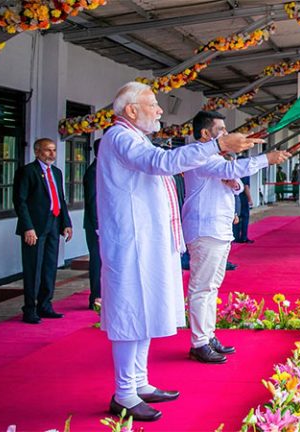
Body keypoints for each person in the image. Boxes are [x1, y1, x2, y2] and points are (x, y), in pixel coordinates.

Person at [97, 81, 258, 421]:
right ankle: (124, 393)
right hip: (132, 242)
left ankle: (138, 382)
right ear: (130, 111)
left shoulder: (136, 137)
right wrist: (217, 145)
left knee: (143, 313)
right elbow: (159, 162)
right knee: (130, 313)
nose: (159, 110)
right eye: (153, 104)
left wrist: (219, 146)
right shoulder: (120, 137)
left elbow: (161, 162)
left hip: (149, 241)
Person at [182, 110, 290, 364]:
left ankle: (207, 335)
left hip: (219, 230)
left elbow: (236, 182)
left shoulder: (217, 159)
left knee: (212, 287)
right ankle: (199, 342)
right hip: (205, 230)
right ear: (205, 134)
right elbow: (232, 169)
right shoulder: (199, 156)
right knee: (201, 287)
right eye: (220, 130)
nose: (226, 134)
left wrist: (236, 183)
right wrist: (266, 159)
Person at [13, 138, 73, 324]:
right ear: (37, 152)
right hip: (35, 227)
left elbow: (60, 199)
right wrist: (28, 227)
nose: (52, 154)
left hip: (54, 223)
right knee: (33, 268)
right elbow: (20, 202)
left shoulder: (56, 172)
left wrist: (66, 223)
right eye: (47, 150)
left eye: (54, 150)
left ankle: (45, 305)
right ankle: (30, 309)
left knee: (49, 266)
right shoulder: (27, 172)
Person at [83, 138, 101, 310]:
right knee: (97, 260)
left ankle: (102, 294)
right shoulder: (93, 172)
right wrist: (98, 225)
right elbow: (93, 201)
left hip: (104, 224)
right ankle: (96, 296)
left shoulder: (103, 170)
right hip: (96, 225)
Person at [234, 172, 254, 243]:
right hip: (243, 197)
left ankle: (236, 237)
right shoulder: (245, 172)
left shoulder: (237, 170)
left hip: (236, 197)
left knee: (237, 216)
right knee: (245, 217)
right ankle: (244, 237)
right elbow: (246, 187)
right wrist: (250, 199)